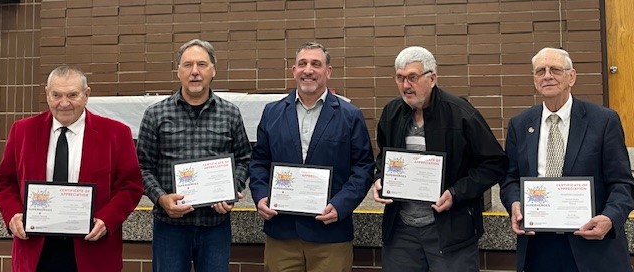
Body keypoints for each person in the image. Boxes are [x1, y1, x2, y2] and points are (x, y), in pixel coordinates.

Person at [0, 65, 144, 272]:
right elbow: (4, 181)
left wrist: (107, 220)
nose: (64, 103)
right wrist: (13, 215)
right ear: (47, 94)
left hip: (92, 249)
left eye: (72, 95)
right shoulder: (23, 131)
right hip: (35, 248)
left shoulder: (116, 133)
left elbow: (131, 185)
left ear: (86, 94)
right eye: (56, 95)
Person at [371, 46, 508, 271]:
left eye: (412, 78)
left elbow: (494, 164)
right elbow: (382, 158)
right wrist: (379, 178)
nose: (406, 85)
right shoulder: (391, 113)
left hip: (451, 233)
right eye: (400, 78)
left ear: (432, 78)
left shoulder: (461, 113)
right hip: (402, 232)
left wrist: (456, 193)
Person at [499, 47, 634, 272]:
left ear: (572, 77)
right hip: (538, 249)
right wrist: (514, 204)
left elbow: (623, 184)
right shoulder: (520, 124)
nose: (547, 75)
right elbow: (510, 178)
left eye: (555, 70)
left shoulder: (603, 121)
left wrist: (609, 219)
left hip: (592, 249)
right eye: (540, 71)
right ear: (534, 79)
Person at [248, 42, 375, 272]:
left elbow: (364, 167)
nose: (308, 70)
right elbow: (259, 162)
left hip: (331, 234)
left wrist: (340, 205)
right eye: (302, 64)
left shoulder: (350, 116)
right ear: (293, 70)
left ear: (328, 71)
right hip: (281, 234)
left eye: (316, 64)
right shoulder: (272, 113)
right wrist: (260, 196)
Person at [137, 39, 252, 272]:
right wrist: (161, 198)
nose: (195, 72)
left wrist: (231, 188)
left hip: (215, 226)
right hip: (170, 226)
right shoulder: (156, 114)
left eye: (202, 64)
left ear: (213, 70)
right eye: (188, 65)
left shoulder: (230, 113)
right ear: (178, 71)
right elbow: (142, 166)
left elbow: (244, 158)